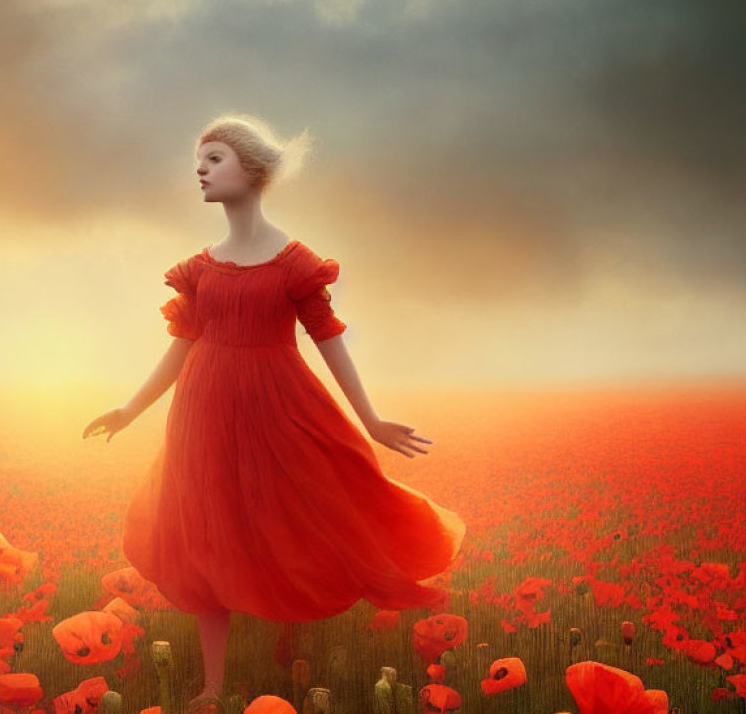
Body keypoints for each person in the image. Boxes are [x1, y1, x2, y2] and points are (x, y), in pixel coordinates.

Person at [82, 113, 465, 713]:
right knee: (206, 530)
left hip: (279, 408)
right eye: (198, 160)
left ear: (253, 171)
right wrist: (129, 409)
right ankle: (212, 686)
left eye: (214, 159)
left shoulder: (293, 262)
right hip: (202, 413)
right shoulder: (199, 268)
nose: (199, 170)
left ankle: (291, 638)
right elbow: (178, 350)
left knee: (293, 513)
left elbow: (330, 339)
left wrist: (370, 419)